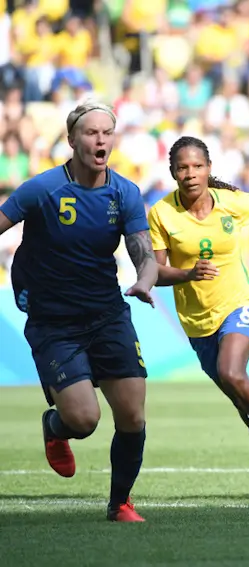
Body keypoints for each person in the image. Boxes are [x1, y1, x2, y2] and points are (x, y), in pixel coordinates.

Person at [0, 101, 156, 522]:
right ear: (72, 141)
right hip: (54, 322)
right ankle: (56, 427)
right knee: (85, 420)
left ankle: (120, 502)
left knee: (132, 414)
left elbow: (144, 252)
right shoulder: (42, 189)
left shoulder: (124, 192)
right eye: (90, 132)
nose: (100, 139)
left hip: (107, 314)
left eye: (107, 132)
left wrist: (144, 280)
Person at [147, 136, 249, 496]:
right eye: (182, 168)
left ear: (209, 169)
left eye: (197, 166)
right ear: (173, 173)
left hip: (241, 299)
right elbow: (156, 271)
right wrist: (188, 273)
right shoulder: (161, 213)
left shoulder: (231, 203)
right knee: (237, 394)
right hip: (197, 318)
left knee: (231, 372)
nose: (190, 174)